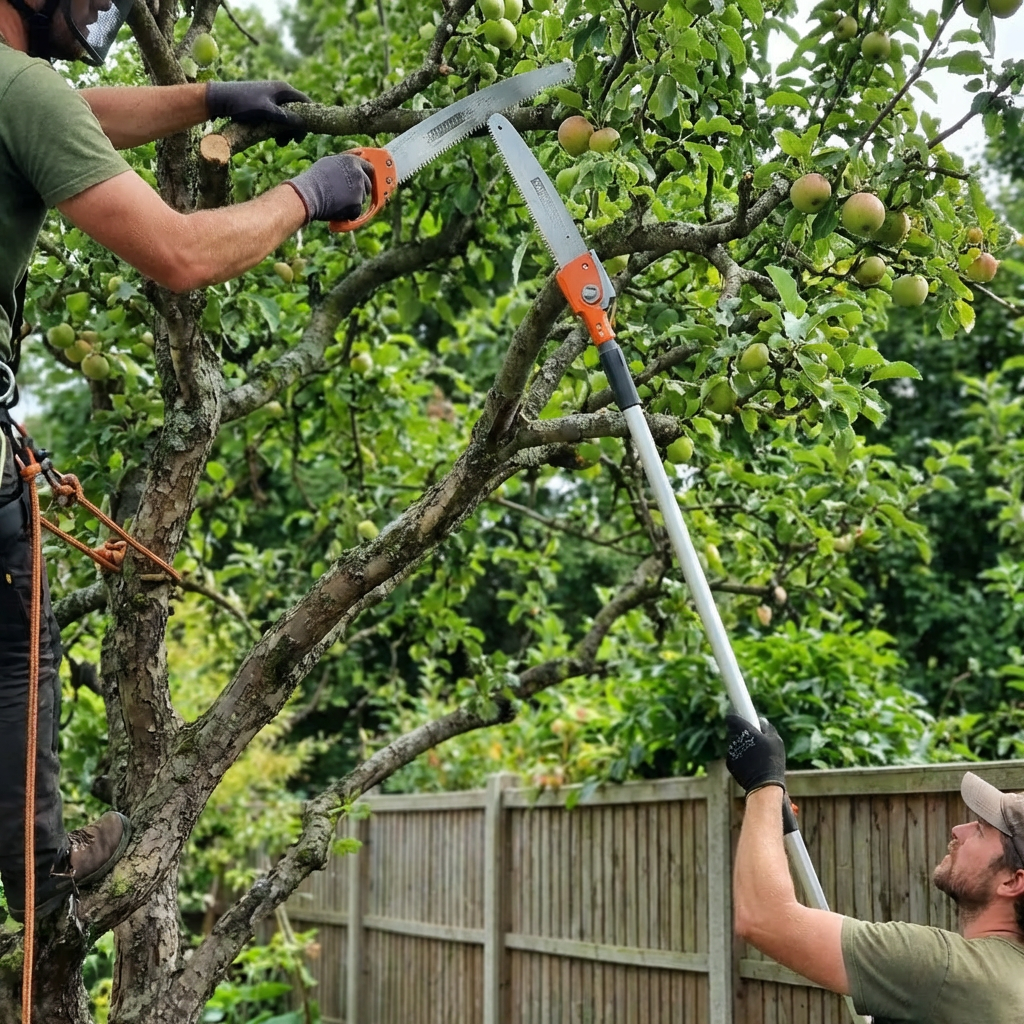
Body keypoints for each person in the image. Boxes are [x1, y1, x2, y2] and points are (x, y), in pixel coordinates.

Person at [0, 0, 373, 922]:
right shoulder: (21, 90)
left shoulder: (22, 93)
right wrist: (309, 194)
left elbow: (66, 108)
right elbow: (177, 253)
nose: (98, 10)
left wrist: (207, 96)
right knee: (18, 641)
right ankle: (39, 874)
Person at [725, 714, 1024, 1023]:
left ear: (1013, 882)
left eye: (980, 831)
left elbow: (763, 918)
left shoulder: (947, 970)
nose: (958, 830)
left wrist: (763, 783)